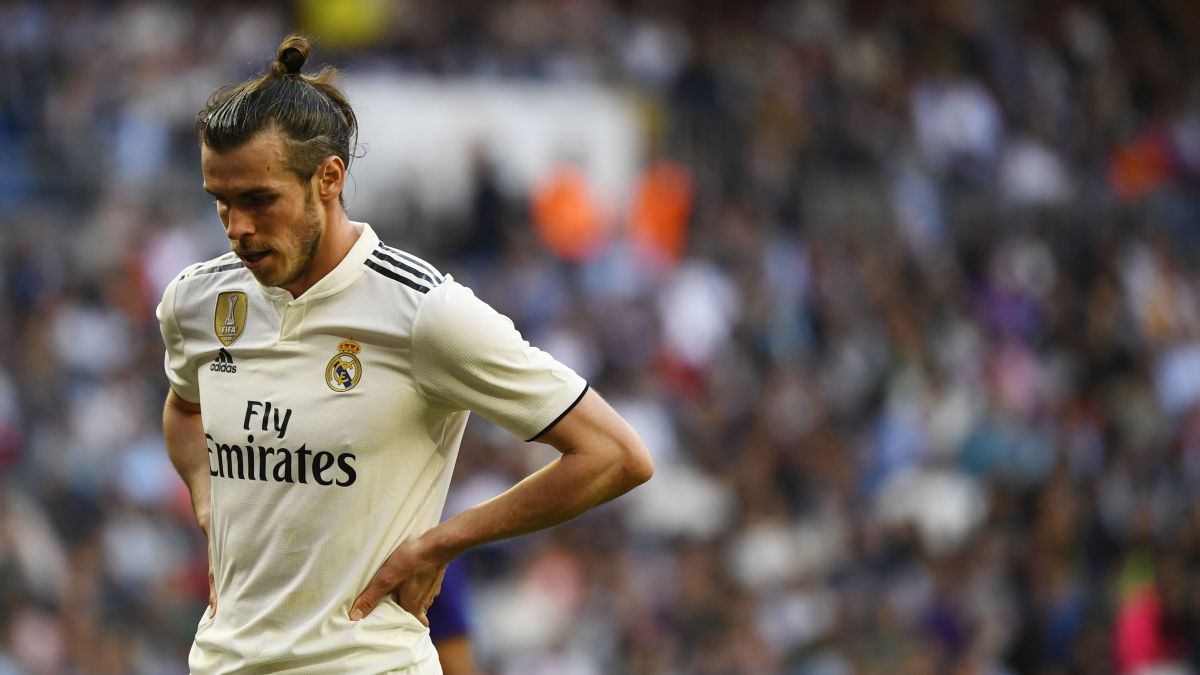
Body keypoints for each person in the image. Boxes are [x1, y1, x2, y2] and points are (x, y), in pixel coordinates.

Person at [157, 34, 653, 674]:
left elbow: (614, 455)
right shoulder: (198, 301)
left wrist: (445, 541)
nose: (237, 228)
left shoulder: (424, 311)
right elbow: (184, 410)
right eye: (221, 202)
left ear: (328, 178)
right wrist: (206, 499)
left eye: (259, 200)